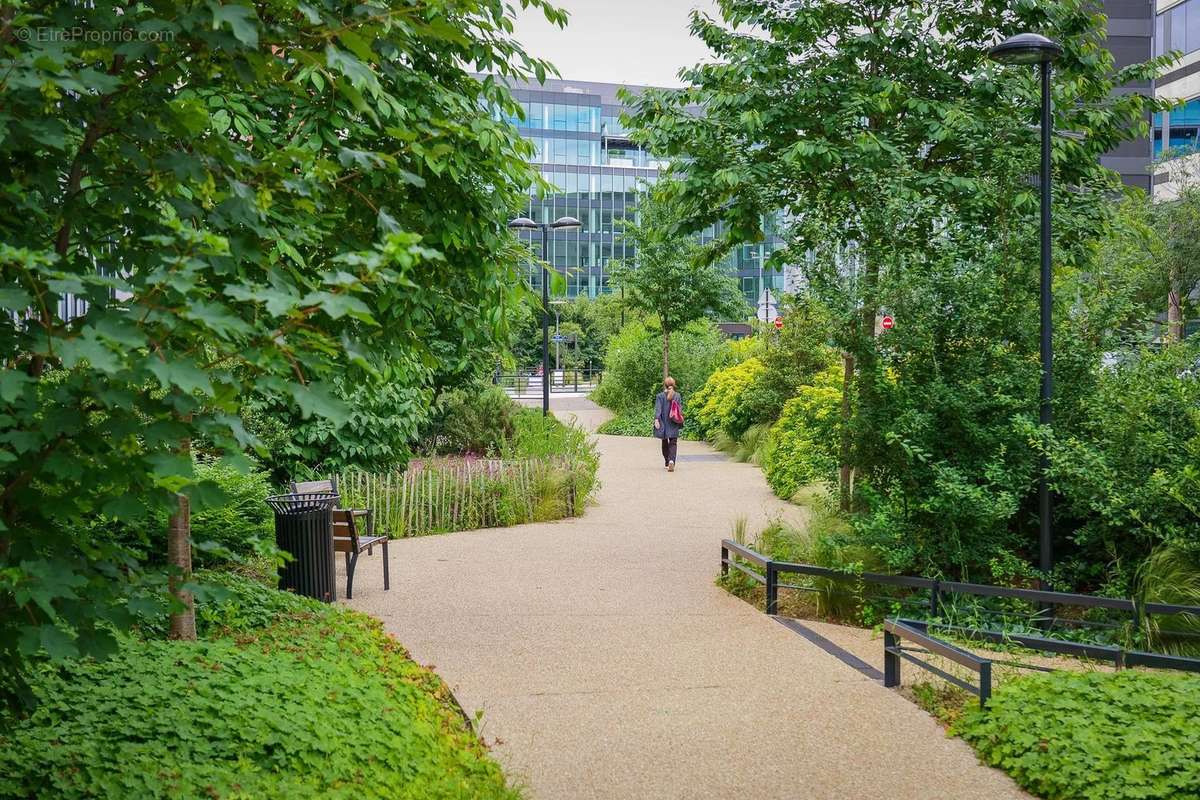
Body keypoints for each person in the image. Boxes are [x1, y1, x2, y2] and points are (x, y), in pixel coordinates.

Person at [653, 376, 683, 472]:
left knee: (664, 442)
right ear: (673, 385)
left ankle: (667, 462)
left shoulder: (660, 396)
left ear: (664, 385)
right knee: (673, 443)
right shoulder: (677, 395)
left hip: (664, 422)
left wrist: (657, 419)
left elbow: (658, 409)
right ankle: (671, 461)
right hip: (674, 422)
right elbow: (679, 409)